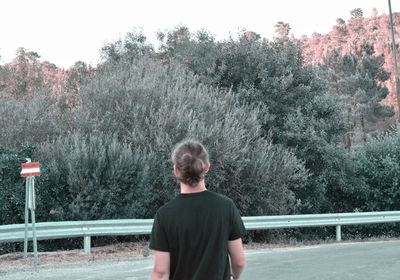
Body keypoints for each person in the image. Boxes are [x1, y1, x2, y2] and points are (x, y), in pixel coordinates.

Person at [150, 140, 246, 280]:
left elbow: (160, 272)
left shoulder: (164, 215)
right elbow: (239, 262)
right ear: (207, 167)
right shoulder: (226, 207)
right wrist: (235, 276)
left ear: (176, 170)